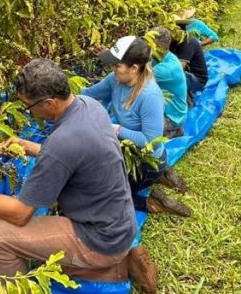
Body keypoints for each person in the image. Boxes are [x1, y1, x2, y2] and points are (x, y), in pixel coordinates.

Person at [0, 59, 159, 294]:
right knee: (37, 248)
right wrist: (27, 146)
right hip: (118, 225)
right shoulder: (88, 105)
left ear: (49, 103)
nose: (29, 112)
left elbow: (20, 213)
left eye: (28, 108)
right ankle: (118, 264)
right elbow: (72, 156)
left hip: (99, 238)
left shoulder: (62, 143)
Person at [82, 36, 192, 212]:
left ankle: (153, 203)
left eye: (117, 65)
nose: (113, 68)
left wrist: (115, 129)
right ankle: (162, 175)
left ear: (134, 68)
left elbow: (150, 140)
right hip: (127, 150)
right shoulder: (115, 79)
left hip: (144, 161)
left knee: (101, 195)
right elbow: (89, 93)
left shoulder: (149, 96)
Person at [149, 27, 188, 138]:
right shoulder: (162, 57)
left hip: (170, 118)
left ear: (157, 46)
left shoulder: (167, 68)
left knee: (133, 125)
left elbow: (134, 74)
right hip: (165, 109)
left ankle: (173, 131)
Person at [170, 25, 209, 95]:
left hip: (197, 80)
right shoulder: (174, 42)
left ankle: (187, 98)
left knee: (171, 78)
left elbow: (178, 69)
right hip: (187, 73)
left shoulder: (188, 42)